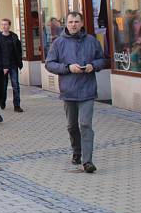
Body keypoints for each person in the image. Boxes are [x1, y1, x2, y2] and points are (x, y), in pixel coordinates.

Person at [45, 11, 107, 173]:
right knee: (72, 126)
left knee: (85, 124)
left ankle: (88, 161)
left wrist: (93, 65)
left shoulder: (91, 41)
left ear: (81, 23)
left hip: (87, 89)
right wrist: (67, 68)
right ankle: (76, 151)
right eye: (71, 22)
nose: (73, 25)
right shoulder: (59, 43)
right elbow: (49, 64)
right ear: (66, 24)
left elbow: (103, 59)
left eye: (76, 22)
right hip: (69, 90)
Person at [0, 18, 24, 113]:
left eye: (6, 24)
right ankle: (2, 101)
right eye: (2, 24)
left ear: (9, 25)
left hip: (13, 64)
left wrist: (19, 62)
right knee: (3, 86)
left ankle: (17, 105)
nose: (4, 26)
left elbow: (18, 50)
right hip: (3, 65)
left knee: (15, 85)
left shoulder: (14, 36)